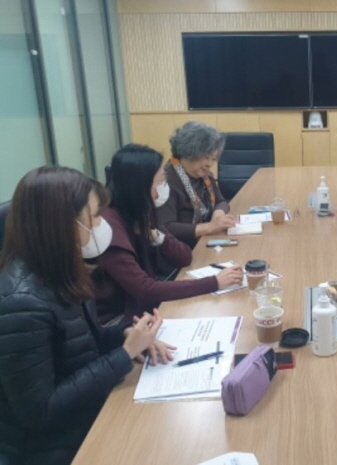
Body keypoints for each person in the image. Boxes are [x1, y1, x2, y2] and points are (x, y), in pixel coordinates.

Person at [0, 167, 174, 465]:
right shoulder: (21, 303)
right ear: (60, 225)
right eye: (94, 217)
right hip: (54, 446)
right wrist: (124, 354)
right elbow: (41, 411)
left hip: (87, 413)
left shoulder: (62, 271)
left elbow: (83, 343)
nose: (101, 225)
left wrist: (127, 335)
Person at [93, 144, 243, 324]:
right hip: (119, 321)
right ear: (141, 185)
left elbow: (184, 257)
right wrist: (214, 282)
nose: (165, 185)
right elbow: (145, 289)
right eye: (162, 179)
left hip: (144, 307)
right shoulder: (109, 228)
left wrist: (157, 237)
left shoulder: (140, 210)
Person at [157, 121, 237, 248]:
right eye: (206, 158)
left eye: (213, 158)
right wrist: (209, 227)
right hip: (182, 248)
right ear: (189, 153)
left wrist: (218, 214)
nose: (210, 164)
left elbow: (221, 201)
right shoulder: (167, 180)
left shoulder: (204, 175)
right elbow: (166, 227)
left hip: (206, 240)